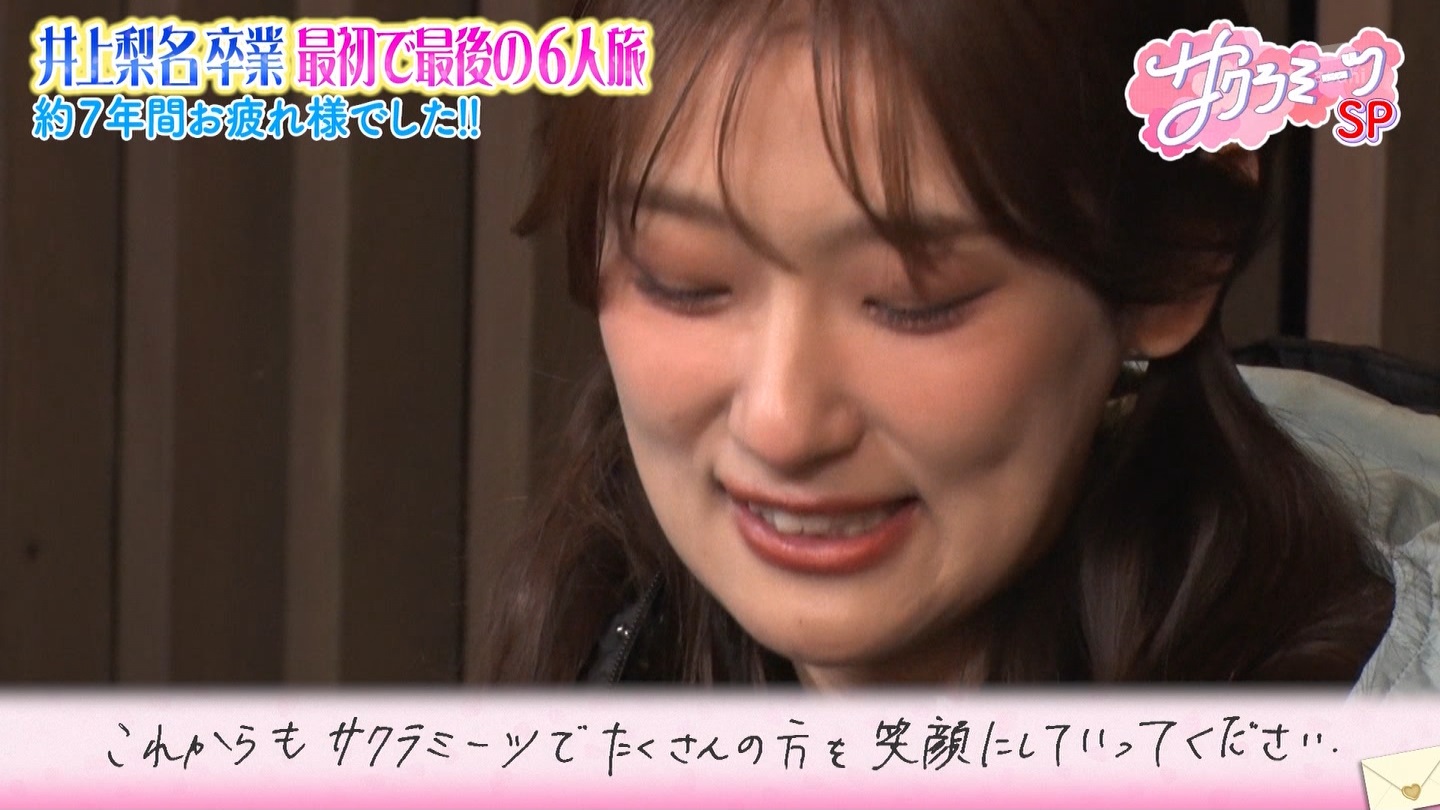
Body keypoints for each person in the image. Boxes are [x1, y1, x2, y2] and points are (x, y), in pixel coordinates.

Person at [480, 0, 1440, 688]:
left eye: (911, 300)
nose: (782, 425)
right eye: (683, 279)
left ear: (1177, 263)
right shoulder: (605, 644)